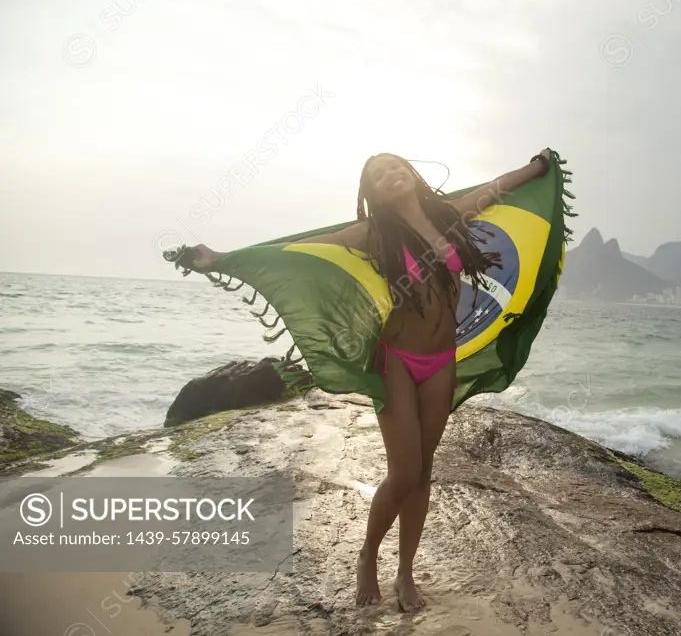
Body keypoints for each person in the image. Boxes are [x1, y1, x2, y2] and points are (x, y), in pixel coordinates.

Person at [184, 149, 553, 611]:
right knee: (403, 472)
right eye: (378, 174)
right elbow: (302, 249)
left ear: (411, 174)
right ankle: (366, 557)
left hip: (442, 360)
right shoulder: (372, 234)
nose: (390, 174)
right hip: (396, 359)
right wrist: (220, 257)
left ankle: (406, 574)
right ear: (372, 191)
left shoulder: (449, 215)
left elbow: (496, 187)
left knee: (422, 474)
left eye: (396, 166)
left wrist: (538, 168)